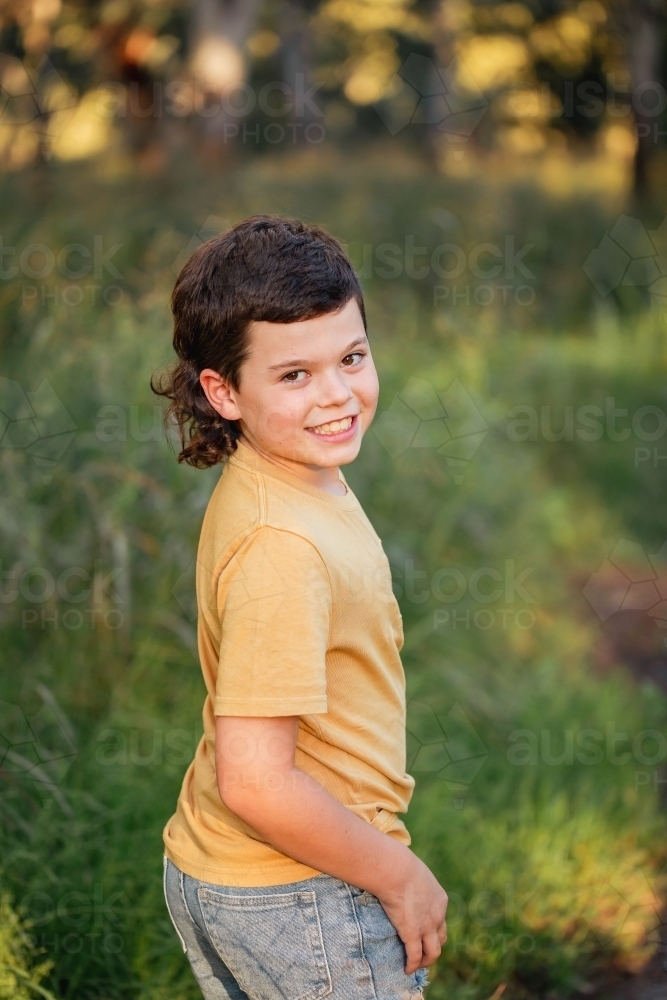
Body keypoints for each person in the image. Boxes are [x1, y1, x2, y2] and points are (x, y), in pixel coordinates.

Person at [153, 215, 448, 1000]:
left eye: (350, 357)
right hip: (303, 891)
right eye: (294, 376)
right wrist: (401, 876)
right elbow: (256, 782)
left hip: (236, 875)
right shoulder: (281, 546)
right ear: (223, 392)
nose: (337, 395)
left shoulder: (283, 473)